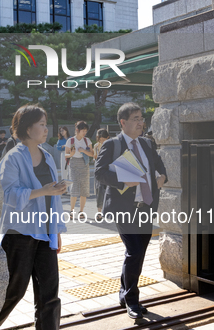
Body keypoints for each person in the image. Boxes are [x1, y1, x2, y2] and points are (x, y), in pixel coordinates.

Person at [0, 104, 68, 329]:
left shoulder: (48, 156)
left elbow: (52, 198)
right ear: (27, 128)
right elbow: (7, 195)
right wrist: (43, 190)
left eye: (46, 125)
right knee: (14, 290)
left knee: (50, 294)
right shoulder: (13, 158)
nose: (46, 130)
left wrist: (55, 231)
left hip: (45, 234)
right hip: (20, 234)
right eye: (42, 125)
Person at [94, 103, 167, 320]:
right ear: (123, 122)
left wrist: (162, 177)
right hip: (124, 209)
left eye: (141, 118)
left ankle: (124, 292)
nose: (140, 122)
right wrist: (122, 180)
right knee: (134, 251)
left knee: (138, 253)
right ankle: (132, 300)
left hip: (146, 206)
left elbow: (160, 166)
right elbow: (99, 173)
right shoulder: (112, 145)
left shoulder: (146, 143)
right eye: (135, 118)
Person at [65, 121, 94, 219]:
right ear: (77, 130)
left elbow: (92, 154)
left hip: (84, 164)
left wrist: (84, 151)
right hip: (73, 164)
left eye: (86, 131)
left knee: (84, 188)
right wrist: (71, 154)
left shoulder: (87, 140)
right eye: (83, 130)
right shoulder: (70, 141)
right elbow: (66, 154)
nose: (84, 132)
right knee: (74, 188)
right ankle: (72, 211)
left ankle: (81, 211)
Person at [93, 128, 110, 221]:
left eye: (104, 139)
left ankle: (108, 211)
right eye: (100, 140)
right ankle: (99, 212)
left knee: (109, 190)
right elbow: (95, 158)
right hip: (99, 171)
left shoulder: (111, 145)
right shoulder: (96, 146)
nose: (102, 141)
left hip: (109, 170)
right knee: (99, 191)